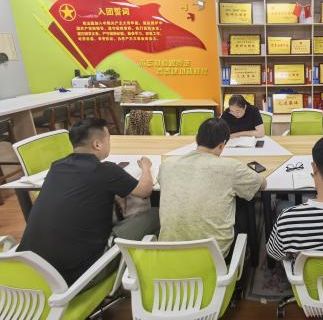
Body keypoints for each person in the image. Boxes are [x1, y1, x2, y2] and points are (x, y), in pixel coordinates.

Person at [17, 119, 159, 286]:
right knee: (155, 213)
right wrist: (146, 167)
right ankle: (150, 275)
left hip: (28, 271)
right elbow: (144, 191)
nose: (109, 144)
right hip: (77, 277)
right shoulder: (106, 170)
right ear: (97, 144)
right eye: (108, 140)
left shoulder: (56, 167)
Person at [158, 117, 266, 257]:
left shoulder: (167, 164)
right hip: (214, 257)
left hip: (168, 255)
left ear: (196, 138)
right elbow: (262, 185)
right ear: (222, 146)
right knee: (243, 204)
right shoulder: (231, 167)